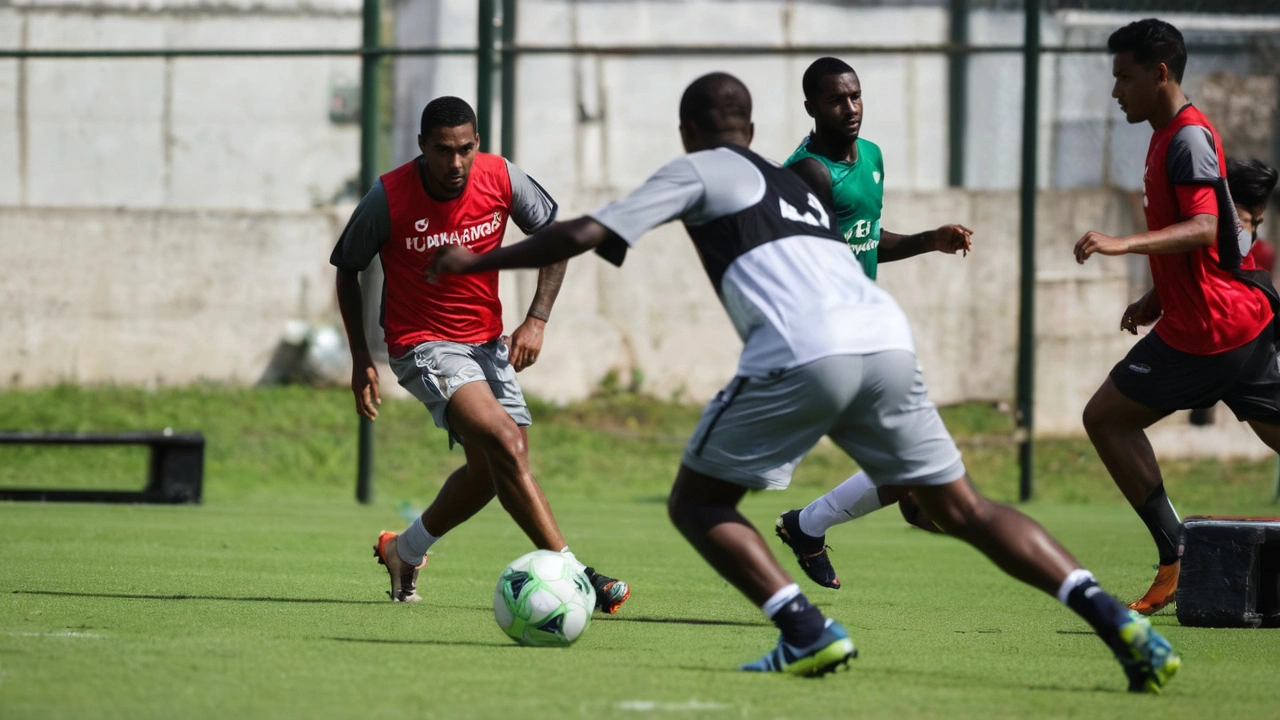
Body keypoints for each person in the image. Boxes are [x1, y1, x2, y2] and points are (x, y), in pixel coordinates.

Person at [429, 72, 1180, 692]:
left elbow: (587, 231)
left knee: (698, 501)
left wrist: (478, 263)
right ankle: (1119, 623)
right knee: (966, 508)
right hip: (884, 336)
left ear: (690, 130)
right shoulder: (796, 183)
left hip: (802, 348)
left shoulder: (697, 167)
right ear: (752, 127)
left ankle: (805, 629)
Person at [330, 96, 630, 613]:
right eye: (443, 151)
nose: (455, 164)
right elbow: (347, 268)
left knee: (493, 470)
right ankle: (579, 576)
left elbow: (555, 237)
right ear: (422, 145)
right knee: (507, 445)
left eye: (465, 149)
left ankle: (403, 550)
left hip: (487, 344)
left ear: (477, 144)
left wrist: (537, 318)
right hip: (422, 343)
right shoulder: (389, 196)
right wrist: (361, 358)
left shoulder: (502, 177)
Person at [1076, 19, 1280, 617]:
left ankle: (1176, 552)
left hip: (1208, 333)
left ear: (1159, 72)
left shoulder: (1187, 137)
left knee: (1106, 419)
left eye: (1124, 77)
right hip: (1239, 323)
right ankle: (1175, 554)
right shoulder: (1167, 135)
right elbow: (1207, 243)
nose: (1116, 92)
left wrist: (1122, 243)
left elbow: (1204, 228)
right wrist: (1155, 298)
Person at [775, 56, 974, 590]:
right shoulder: (807, 173)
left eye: (856, 96)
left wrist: (929, 240)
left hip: (861, 333)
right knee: (910, 460)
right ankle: (808, 521)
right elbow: (823, 260)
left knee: (907, 461)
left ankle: (807, 525)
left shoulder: (873, 157)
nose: (851, 107)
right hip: (824, 338)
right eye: (837, 99)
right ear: (811, 108)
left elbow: (865, 239)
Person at [1188, 157, 1278, 426]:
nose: (1250, 231)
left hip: (1241, 324)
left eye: (1256, 223)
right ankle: (1202, 411)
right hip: (1223, 324)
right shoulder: (1207, 236)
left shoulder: (1258, 252)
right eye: (1249, 220)